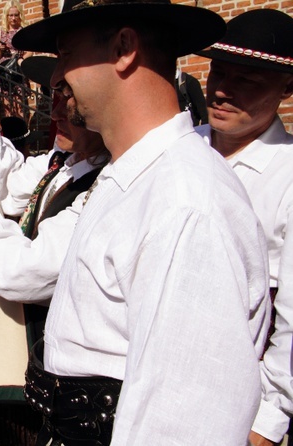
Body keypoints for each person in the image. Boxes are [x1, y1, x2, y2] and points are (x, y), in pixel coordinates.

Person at [5, 0, 272, 444]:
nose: (58, 78)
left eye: (67, 54)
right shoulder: (132, 176)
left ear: (124, 48)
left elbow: (184, 423)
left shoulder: (183, 201)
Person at [0, 55, 110, 444]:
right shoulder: (67, 164)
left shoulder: (103, 181)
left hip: (63, 367)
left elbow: (29, 272)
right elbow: (12, 184)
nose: (55, 110)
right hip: (38, 361)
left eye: (64, 96)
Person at [194, 9, 293, 446]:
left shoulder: (287, 176)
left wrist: (268, 420)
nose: (221, 90)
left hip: (238, 403)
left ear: (287, 88)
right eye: (219, 71)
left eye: (248, 80)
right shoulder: (180, 145)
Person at [0, 0, 32, 118]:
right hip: (5, 73)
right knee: (7, 108)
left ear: (20, 15)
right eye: (11, 15)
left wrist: (20, 60)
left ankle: (22, 133)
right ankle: (10, 134)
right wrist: (0, 48)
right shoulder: (0, 34)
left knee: (20, 107)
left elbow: (30, 52)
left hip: (18, 72)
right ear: (6, 16)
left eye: (16, 15)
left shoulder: (24, 32)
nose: (13, 18)